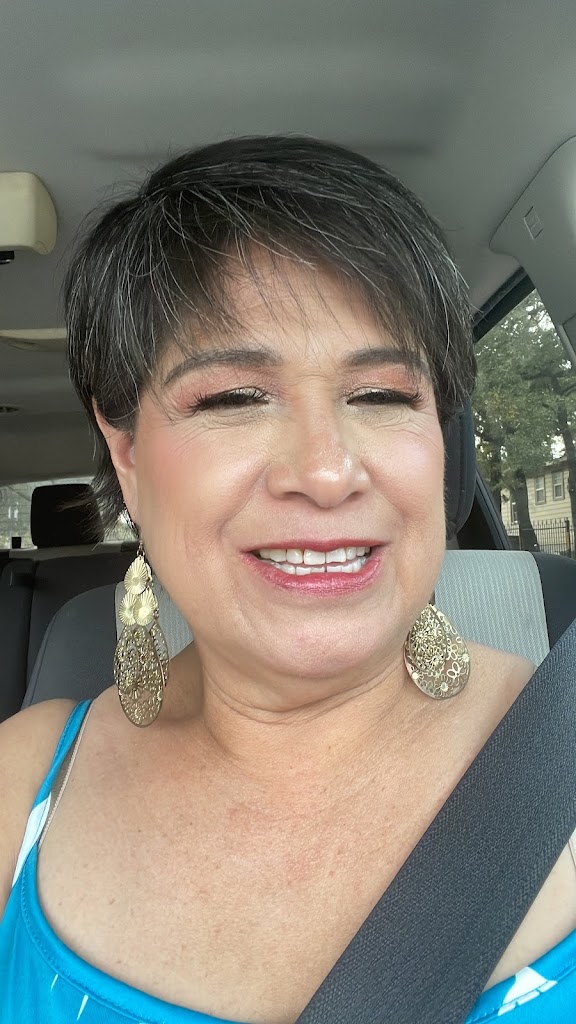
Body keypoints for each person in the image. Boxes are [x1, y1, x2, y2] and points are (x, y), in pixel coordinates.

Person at [0, 135, 574, 1024]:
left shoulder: (561, 749)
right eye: (232, 398)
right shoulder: (22, 782)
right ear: (129, 457)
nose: (327, 470)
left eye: (383, 395)